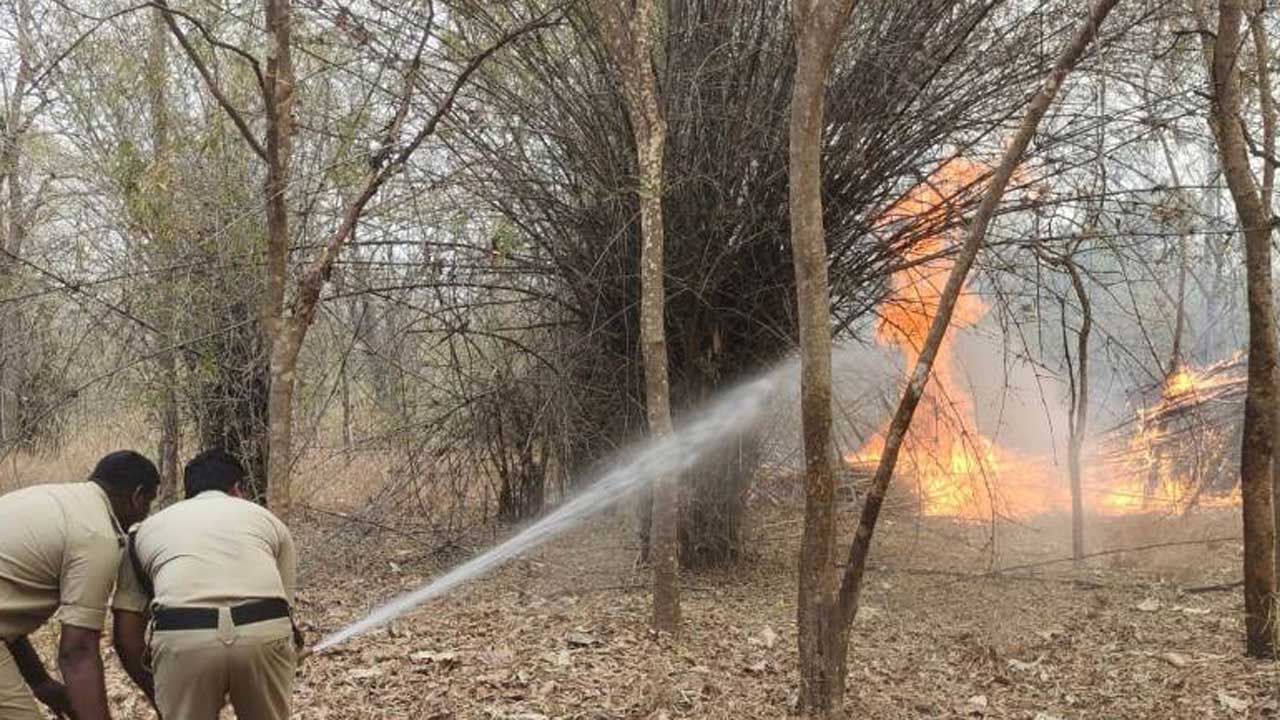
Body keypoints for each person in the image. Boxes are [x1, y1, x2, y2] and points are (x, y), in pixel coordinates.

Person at [112, 448, 300, 720]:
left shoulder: (146, 530)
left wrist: (160, 691)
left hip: (183, 636)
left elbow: (126, 632)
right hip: (262, 632)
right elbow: (285, 609)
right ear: (237, 489)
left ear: (187, 493)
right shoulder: (269, 522)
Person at [0, 450, 159, 720]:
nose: (145, 513)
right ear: (137, 496)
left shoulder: (54, 499)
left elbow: (6, 615)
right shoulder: (96, 535)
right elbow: (78, 651)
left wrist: (41, 682)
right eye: (149, 503)